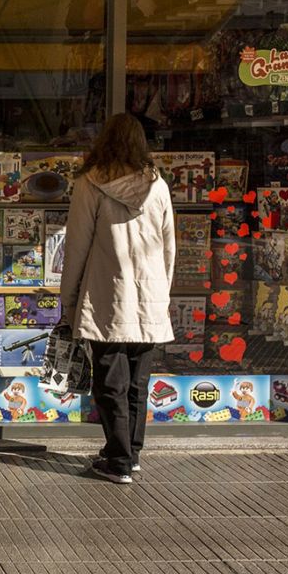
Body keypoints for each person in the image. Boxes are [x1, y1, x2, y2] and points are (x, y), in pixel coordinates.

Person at [59, 113, 175, 485]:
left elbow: (76, 246)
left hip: (107, 295)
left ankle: (118, 459)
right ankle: (132, 452)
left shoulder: (90, 183)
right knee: (139, 379)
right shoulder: (158, 185)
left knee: (110, 380)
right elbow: (169, 245)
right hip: (150, 293)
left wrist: (69, 299)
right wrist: (163, 291)